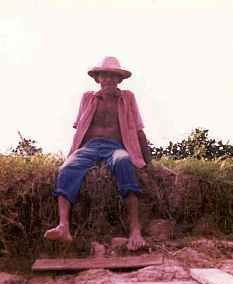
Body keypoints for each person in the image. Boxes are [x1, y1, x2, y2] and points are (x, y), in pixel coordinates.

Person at [44, 57, 152, 251]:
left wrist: (148, 161)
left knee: (124, 162)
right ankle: (63, 226)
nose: (109, 79)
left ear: (119, 80)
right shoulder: (88, 98)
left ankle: (135, 230)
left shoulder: (127, 97)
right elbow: (80, 129)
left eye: (114, 76)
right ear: (98, 78)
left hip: (116, 146)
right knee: (67, 168)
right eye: (105, 75)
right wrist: (72, 153)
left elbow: (138, 129)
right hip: (90, 146)